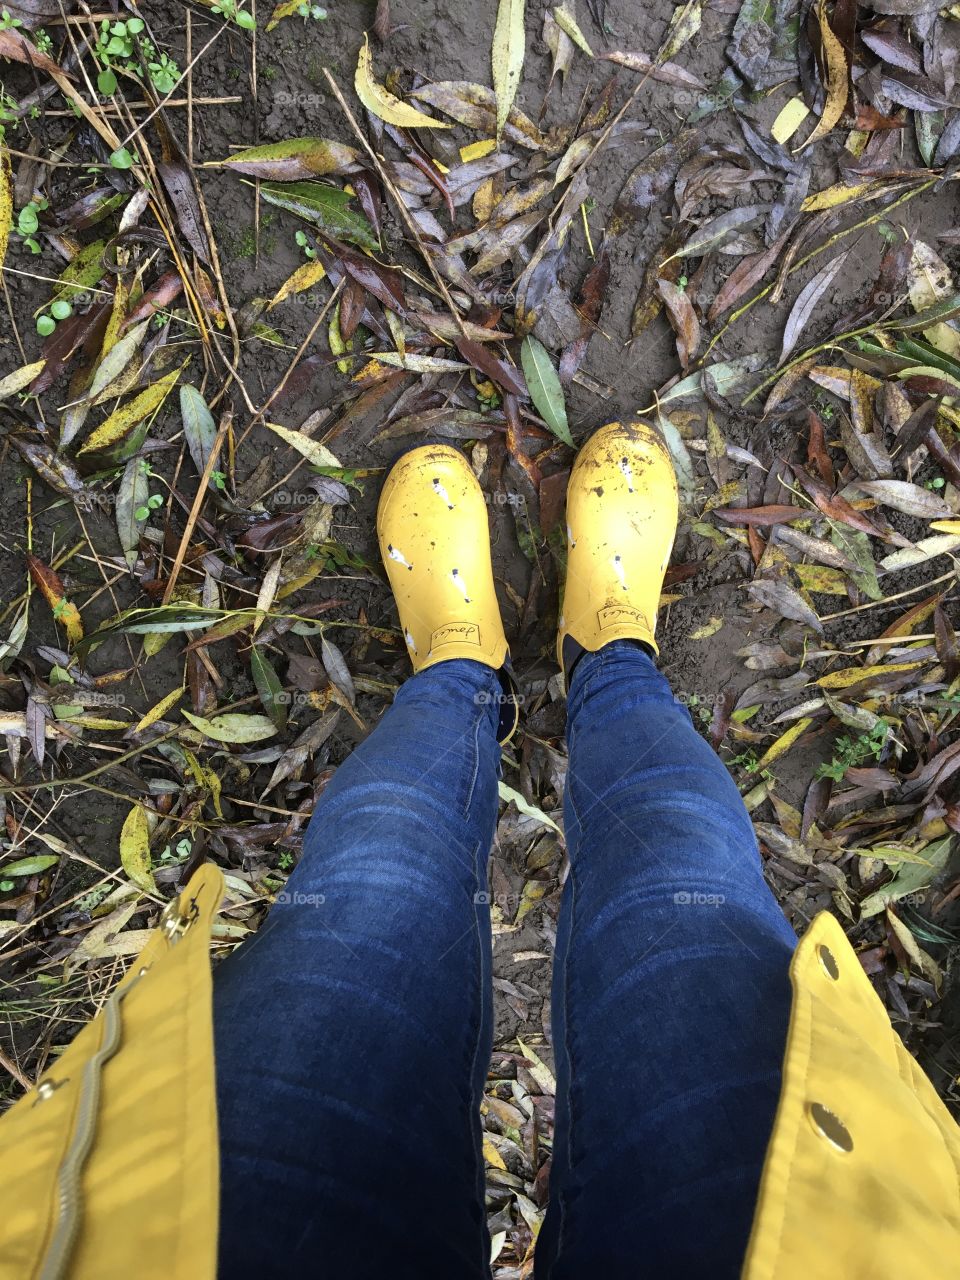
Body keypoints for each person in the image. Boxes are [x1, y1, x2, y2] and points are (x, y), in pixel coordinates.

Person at [1, 424, 958, 1280]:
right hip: (850, 1228)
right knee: (684, 874)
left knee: (368, 884)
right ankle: (608, 645)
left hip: (146, 1219)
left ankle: (461, 667)